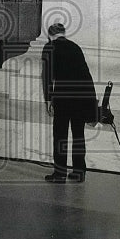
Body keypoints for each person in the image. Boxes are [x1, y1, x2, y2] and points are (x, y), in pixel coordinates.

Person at [41, 22, 97, 183]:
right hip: (80, 98)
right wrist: (91, 103)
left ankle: (60, 174)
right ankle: (79, 172)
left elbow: (47, 76)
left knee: (60, 136)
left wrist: (48, 99)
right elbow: (87, 76)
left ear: (50, 35)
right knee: (78, 135)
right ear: (63, 33)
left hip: (63, 98)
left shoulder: (49, 47)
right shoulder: (75, 47)